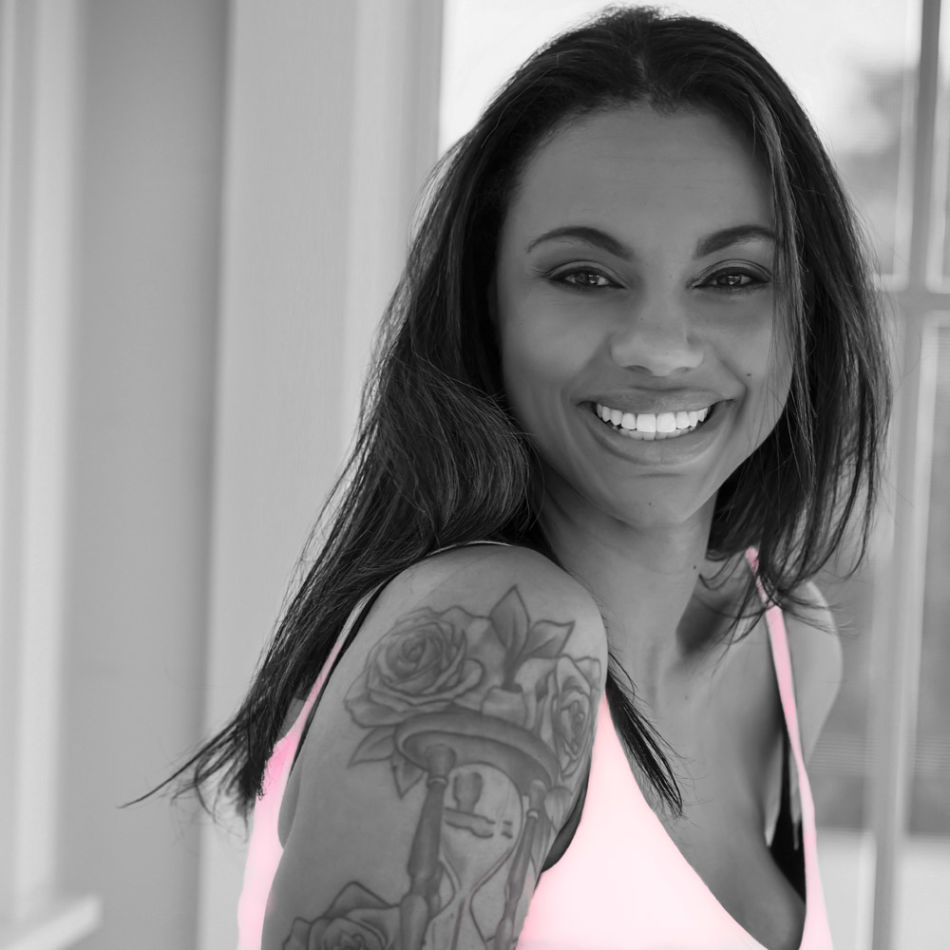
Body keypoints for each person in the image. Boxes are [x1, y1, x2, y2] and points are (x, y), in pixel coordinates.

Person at [159, 6, 891, 949]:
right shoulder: (494, 641)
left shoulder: (789, 637)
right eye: (585, 275)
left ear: (807, 313)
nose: (661, 348)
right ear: (488, 307)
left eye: (732, 277)